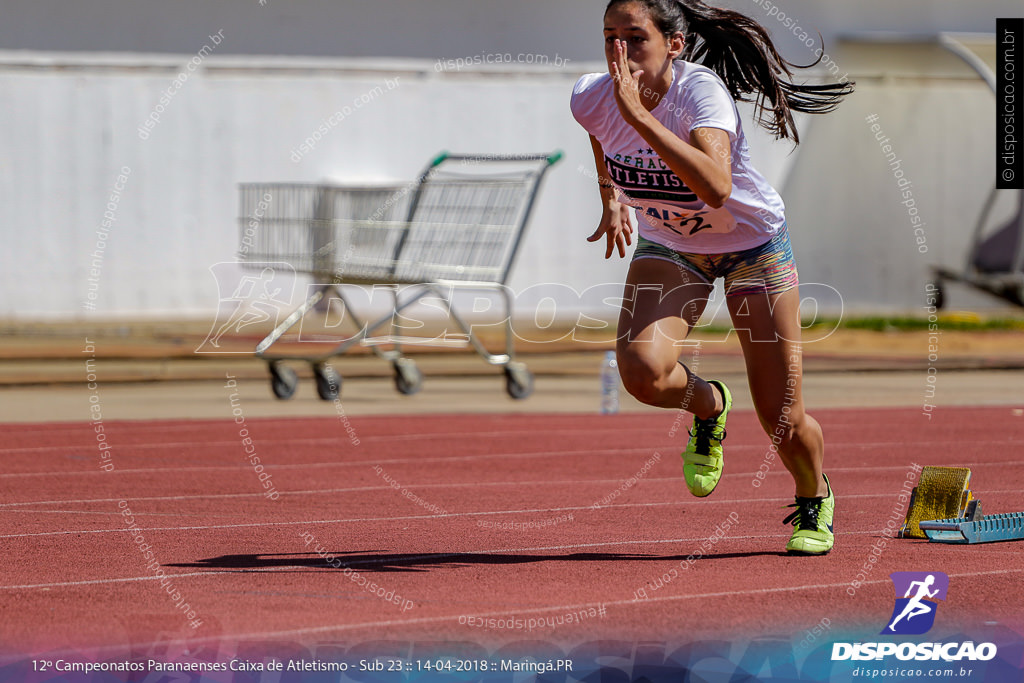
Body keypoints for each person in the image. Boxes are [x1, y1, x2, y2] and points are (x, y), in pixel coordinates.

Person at [570, 0, 853, 554]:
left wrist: (641, 118)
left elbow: (717, 188)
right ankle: (709, 405)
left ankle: (812, 495)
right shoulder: (591, 95)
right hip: (672, 244)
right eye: (609, 36)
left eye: (634, 37)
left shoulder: (700, 94)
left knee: (781, 416)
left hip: (752, 246)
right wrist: (612, 196)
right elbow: (599, 134)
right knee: (643, 373)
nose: (618, 51)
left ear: (674, 44)